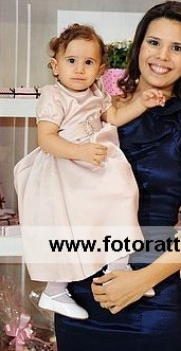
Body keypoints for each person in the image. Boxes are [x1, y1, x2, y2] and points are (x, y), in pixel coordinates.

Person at [53, 1, 181, 350]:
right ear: (139, 45)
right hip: (80, 298)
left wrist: (141, 280)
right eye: (154, 42)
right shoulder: (100, 107)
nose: (162, 56)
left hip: (151, 303)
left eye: (177, 48)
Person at [14, 23, 164, 320]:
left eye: (88, 62)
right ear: (55, 66)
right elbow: (46, 139)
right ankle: (55, 290)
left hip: (92, 164)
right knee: (66, 225)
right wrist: (78, 151)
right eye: (71, 61)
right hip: (63, 165)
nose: (79, 69)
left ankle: (118, 267)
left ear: (100, 70)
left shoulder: (96, 94)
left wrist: (142, 103)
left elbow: (116, 116)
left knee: (122, 195)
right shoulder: (53, 96)